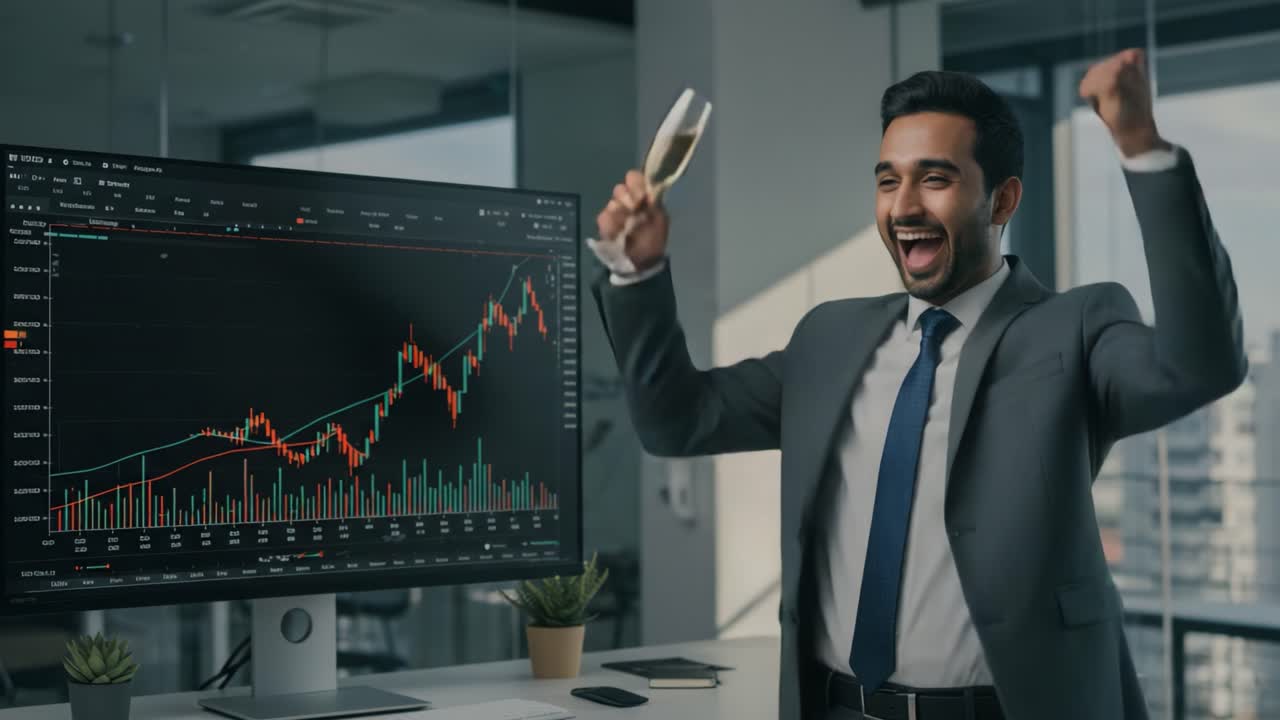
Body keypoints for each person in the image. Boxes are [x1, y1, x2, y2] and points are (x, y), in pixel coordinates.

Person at [590, 48, 1246, 720]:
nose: (904, 206)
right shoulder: (829, 340)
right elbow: (677, 420)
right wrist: (636, 274)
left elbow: (1200, 366)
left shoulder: (1071, 329)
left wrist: (1141, 147)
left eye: (935, 179)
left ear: (1004, 198)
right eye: (887, 181)